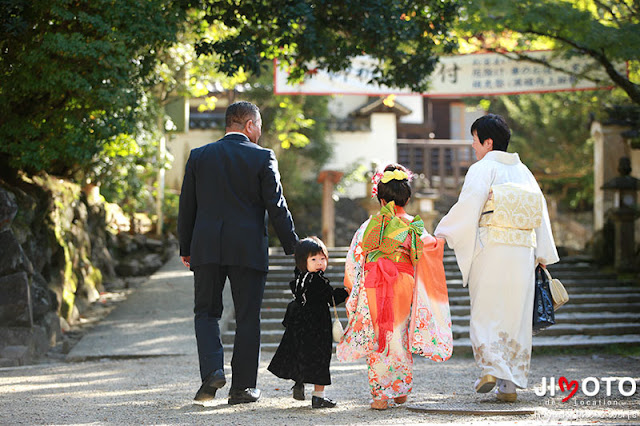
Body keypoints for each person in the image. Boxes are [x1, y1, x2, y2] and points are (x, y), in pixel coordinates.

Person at [178, 101, 299, 405]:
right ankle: (243, 388)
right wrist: (294, 247)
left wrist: (186, 247)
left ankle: (212, 372)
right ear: (248, 125)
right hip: (247, 249)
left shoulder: (199, 156)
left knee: (205, 312)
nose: (261, 131)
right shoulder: (262, 157)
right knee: (248, 317)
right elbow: (277, 206)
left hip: (206, 247)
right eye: (259, 125)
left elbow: (187, 206)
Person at [434, 114, 559, 403]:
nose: (473, 146)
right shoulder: (524, 171)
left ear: (488, 142)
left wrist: (443, 232)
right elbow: (539, 213)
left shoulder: (483, 168)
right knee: (514, 314)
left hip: (491, 247)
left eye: (475, 140)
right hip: (523, 250)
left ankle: (490, 367)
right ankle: (509, 385)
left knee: (487, 309)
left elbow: (468, 207)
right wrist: (542, 253)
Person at [336, 163, 453, 410]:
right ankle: (399, 390)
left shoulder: (369, 225)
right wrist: (441, 241)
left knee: (380, 335)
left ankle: (380, 395)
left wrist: (352, 290)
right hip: (404, 282)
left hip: (373, 282)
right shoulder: (413, 224)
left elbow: (355, 259)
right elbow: (429, 249)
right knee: (399, 334)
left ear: (379, 197)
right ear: (407, 198)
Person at [267, 237, 349, 408]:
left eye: (322, 258)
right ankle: (319, 396)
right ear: (303, 261)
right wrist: (347, 292)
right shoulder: (317, 280)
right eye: (314, 259)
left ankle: (299, 382)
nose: (320, 263)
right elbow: (331, 298)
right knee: (320, 358)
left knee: (301, 354)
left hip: (299, 323)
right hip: (317, 324)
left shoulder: (300, 278)